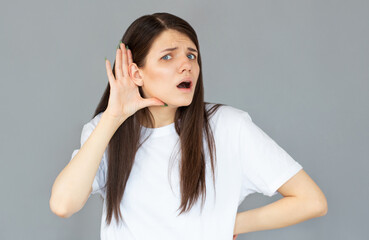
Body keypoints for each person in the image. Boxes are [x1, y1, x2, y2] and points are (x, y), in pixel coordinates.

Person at [49, 12, 327, 240]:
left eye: (191, 56)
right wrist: (112, 117)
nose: (186, 65)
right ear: (136, 73)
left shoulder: (228, 127)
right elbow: (63, 205)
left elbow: (311, 200)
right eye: (168, 57)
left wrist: (229, 224)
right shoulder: (105, 131)